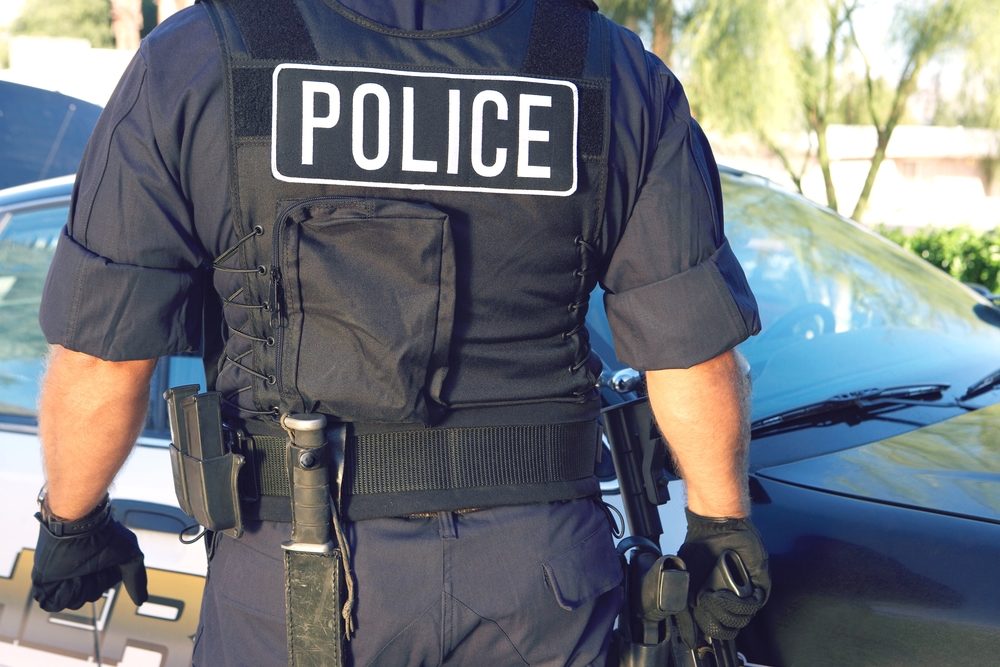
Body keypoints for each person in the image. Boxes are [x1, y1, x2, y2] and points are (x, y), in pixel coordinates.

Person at [30, 1, 769, 665]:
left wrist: (72, 521)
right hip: (541, 582)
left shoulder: (202, 55)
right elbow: (691, 351)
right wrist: (722, 535)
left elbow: (104, 356)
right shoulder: (601, 66)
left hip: (293, 581)